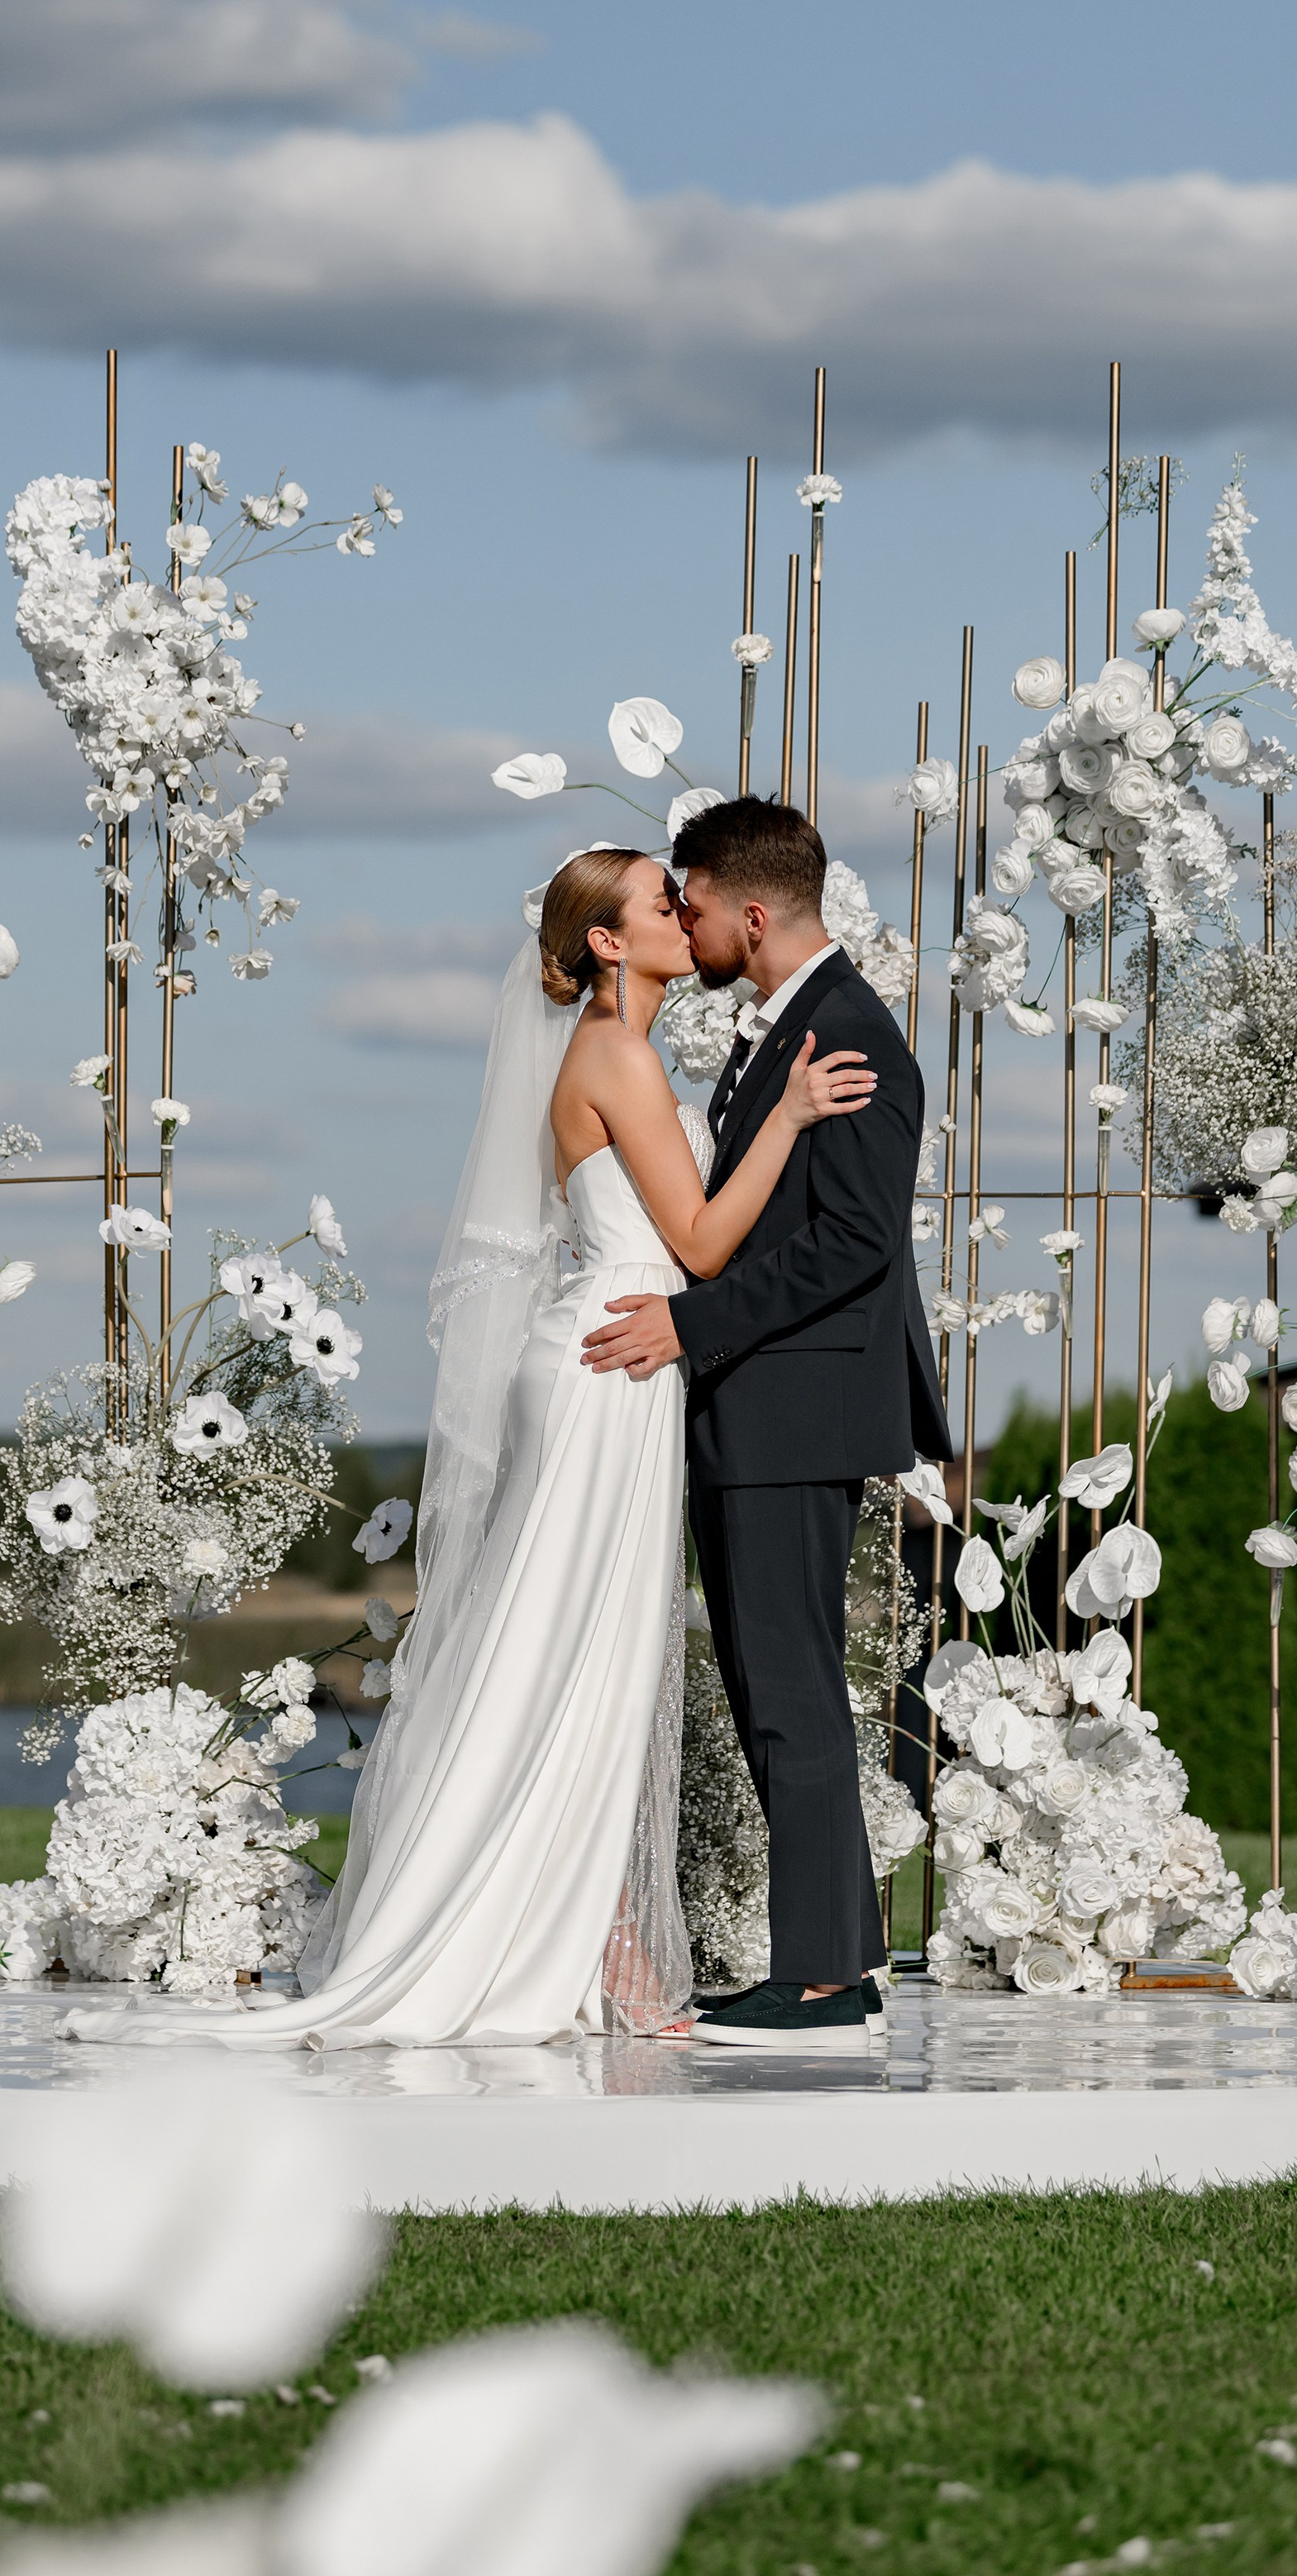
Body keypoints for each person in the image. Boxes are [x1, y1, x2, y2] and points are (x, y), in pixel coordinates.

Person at [67, 844, 874, 2054]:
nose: (685, 910)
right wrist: (795, 1118)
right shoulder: (617, 1057)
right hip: (612, 1368)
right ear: (609, 942)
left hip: (615, 1362)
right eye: (665, 900)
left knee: (567, 1656)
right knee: (565, 1654)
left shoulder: (615, 1057)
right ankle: (530, 1925)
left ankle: (588, 1930)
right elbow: (702, 1244)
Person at [582, 797, 952, 2054]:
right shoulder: (780, 1034)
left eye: (688, 902)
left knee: (790, 1692)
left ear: (751, 911)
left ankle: (826, 1983)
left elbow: (857, 1242)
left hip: (796, 1406)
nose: (680, 922)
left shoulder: (849, 1035)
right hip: (755, 1407)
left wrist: (692, 1327)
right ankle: (830, 1962)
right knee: (767, 1687)